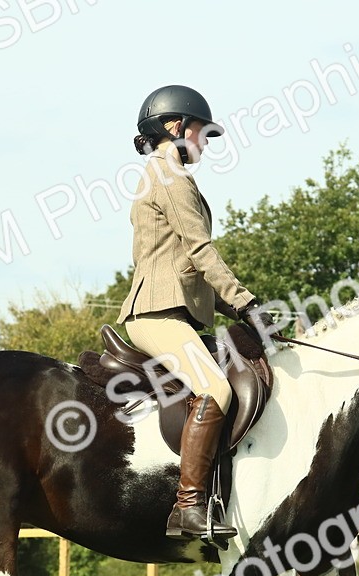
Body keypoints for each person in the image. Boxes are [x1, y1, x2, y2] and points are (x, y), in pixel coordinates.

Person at [118, 85, 273, 544]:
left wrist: (242, 312)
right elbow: (202, 252)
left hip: (174, 311)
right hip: (155, 314)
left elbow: (189, 268)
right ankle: (187, 508)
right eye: (201, 132)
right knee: (215, 388)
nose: (204, 142)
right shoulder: (170, 178)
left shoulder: (162, 177)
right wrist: (247, 304)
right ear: (175, 128)